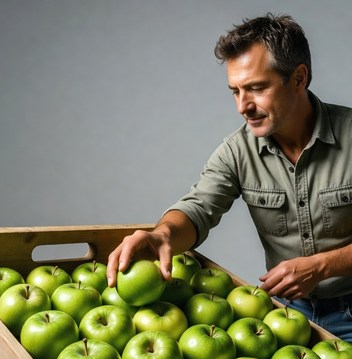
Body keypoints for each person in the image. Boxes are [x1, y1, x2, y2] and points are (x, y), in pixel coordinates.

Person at [107, 13, 352, 342]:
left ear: (298, 78)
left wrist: (322, 266)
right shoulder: (237, 151)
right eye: (235, 91)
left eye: (256, 88)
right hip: (283, 318)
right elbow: (198, 208)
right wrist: (162, 236)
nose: (242, 106)